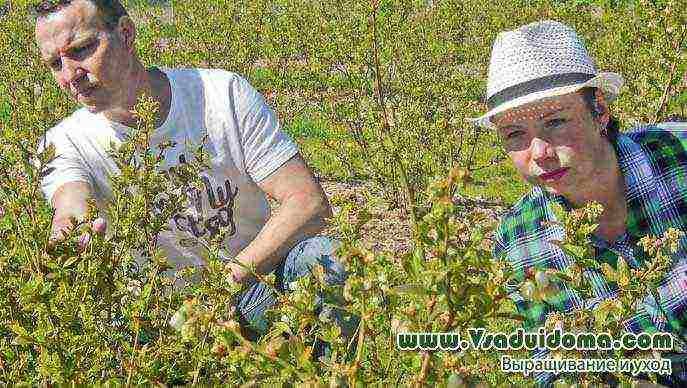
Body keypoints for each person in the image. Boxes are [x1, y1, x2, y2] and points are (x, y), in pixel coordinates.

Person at [32, 0, 352, 338]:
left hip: (252, 290)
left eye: (81, 50)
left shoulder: (221, 95)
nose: (69, 77)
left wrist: (224, 286)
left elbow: (308, 203)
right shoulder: (63, 143)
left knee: (325, 259)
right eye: (55, 63)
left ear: (126, 33)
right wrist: (69, 231)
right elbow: (70, 202)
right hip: (157, 328)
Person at [471, 20, 687, 387]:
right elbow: (555, 366)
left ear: (599, 111)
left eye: (555, 123)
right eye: (515, 134)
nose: (539, 153)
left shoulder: (677, 156)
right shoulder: (520, 240)